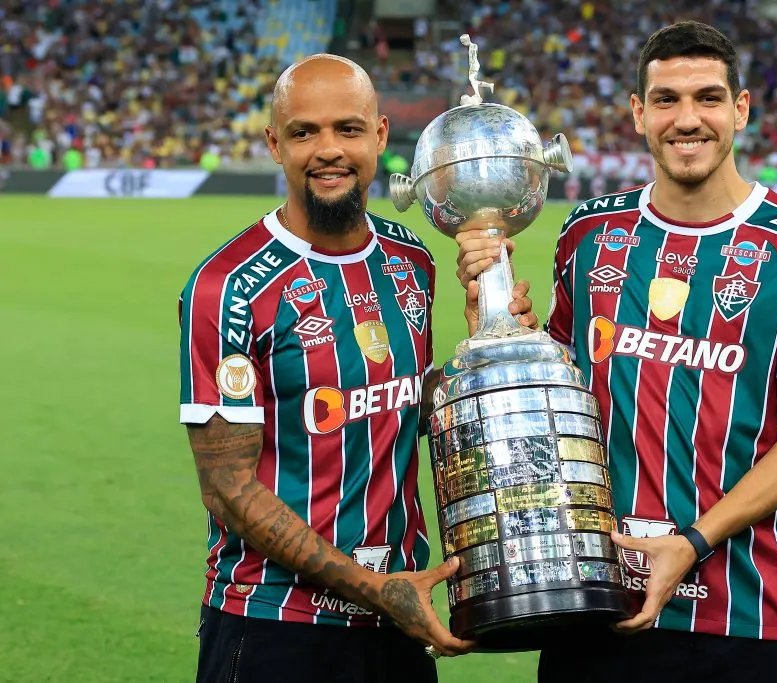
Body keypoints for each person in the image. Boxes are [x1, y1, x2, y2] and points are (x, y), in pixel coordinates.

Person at [456, 21, 777, 683]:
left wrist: (691, 543)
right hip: (596, 609)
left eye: (708, 98)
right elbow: (560, 396)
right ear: (639, 113)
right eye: (666, 99)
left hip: (750, 622)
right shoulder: (590, 232)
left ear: (740, 109)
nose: (687, 118)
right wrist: (499, 329)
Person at [178, 53, 536, 683]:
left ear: (379, 136)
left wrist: (490, 342)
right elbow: (227, 488)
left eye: (347, 129)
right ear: (274, 144)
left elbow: (405, 404)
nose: (328, 150)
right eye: (304, 132)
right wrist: (375, 589)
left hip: (395, 623)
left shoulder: (409, 258)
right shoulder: (227, 287)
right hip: (273, 626)